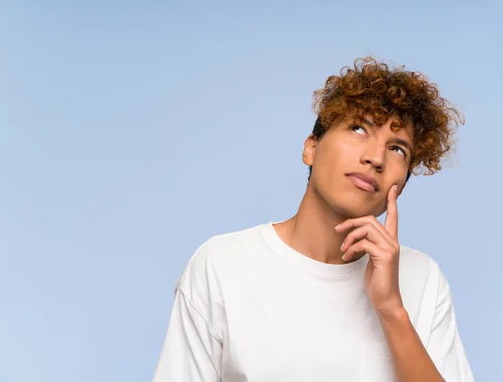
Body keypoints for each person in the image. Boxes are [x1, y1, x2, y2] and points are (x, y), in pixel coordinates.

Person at [152, 56, 474, 382]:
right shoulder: (223, 264)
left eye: (397, 150)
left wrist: (392, 310)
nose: (376, 158)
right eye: (358, 128)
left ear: (402, 184)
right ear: (311, 147)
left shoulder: (423, 280)